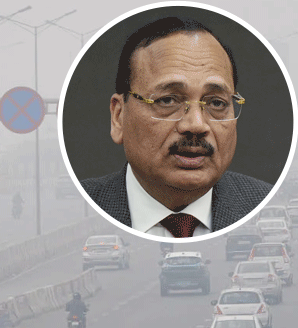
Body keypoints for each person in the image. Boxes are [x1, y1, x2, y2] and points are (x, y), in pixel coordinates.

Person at [80, 16, 273, 238]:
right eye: (168, 100)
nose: (196, 125)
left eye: (216, 103)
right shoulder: (85, 207)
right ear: (118, 116)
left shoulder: (264, 206)